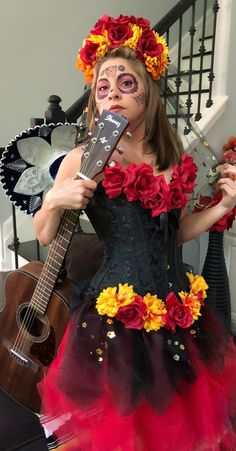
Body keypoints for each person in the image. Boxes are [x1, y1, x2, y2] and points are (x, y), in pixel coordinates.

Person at [33, 14, 236, 451]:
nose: (113, 95)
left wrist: (223, 205)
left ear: (148, 90)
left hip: (181, 312)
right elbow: (45, 234)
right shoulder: (85, 157)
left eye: (126, 84)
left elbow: (177, 233)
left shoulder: (172, 154)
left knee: (180, 426)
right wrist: (54, 200)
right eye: (103, 88)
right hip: (117, 318)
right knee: (130, 431)